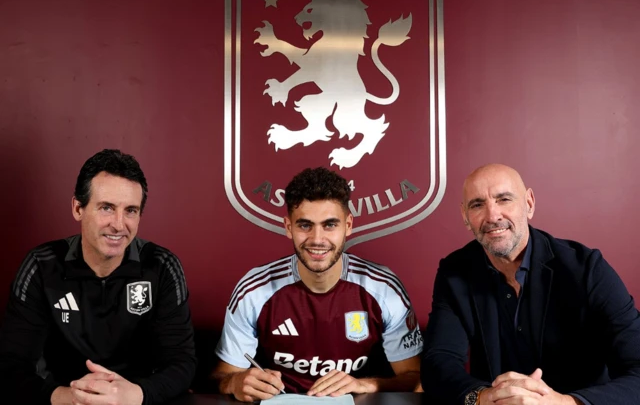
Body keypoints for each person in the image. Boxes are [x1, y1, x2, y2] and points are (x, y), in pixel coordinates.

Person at [421, 163, 640, 405]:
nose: (492, 216)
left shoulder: (587, 269)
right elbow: (438, 363)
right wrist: (484, 398)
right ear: (465, 216)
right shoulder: (455, 272)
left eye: (504, 199)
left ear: (529, 204)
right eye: (477, 204)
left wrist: (564, 403)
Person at [0, 149, 197, 405]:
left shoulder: (161, 266)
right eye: (106, 208)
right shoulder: (41, 265)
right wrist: (70, 397)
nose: (118, 224)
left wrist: (133, 395)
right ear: (78, 208)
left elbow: (182, 364)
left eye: (131, 211)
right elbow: (10, 366)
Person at [213, 167, 423, 402]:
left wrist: (366, 384)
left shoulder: (384, 288)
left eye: (330, 225)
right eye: (305, 225)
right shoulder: (253, 290)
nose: (317, 239)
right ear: (288, 226)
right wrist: (235, 382)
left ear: (349, 225)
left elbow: (415, 378)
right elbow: (223, 375)